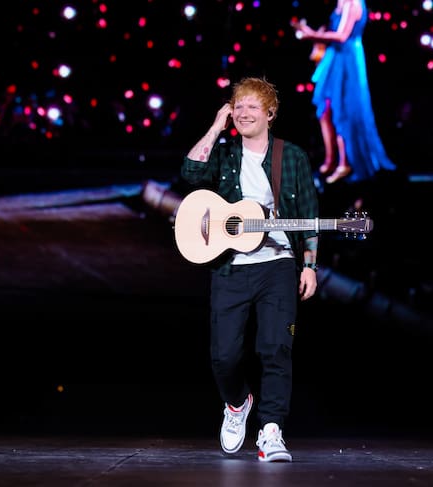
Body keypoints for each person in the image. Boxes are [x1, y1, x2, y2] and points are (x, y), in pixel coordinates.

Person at [180, 77, 319, 462]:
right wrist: (213, 126)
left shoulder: (290, 157)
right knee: (224, 356)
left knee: (276, 348)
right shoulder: (224, 154)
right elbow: (191, 174)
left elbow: (308, 216)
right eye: (237, 106)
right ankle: (237, 403)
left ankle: (271, 431)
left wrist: (309, 266)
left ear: (270, 114)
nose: (242, 113)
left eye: (252, 107)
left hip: (277, 265)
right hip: (230, 267)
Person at [295, 0, 396, 184]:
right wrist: (313, 33)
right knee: (325, 110)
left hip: (347, 58)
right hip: (334, 57)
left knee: (343, 110)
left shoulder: (353, 2)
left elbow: (342, 36)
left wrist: (310, 35)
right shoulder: (341, 2)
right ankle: (331, 159)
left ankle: (345, 162)